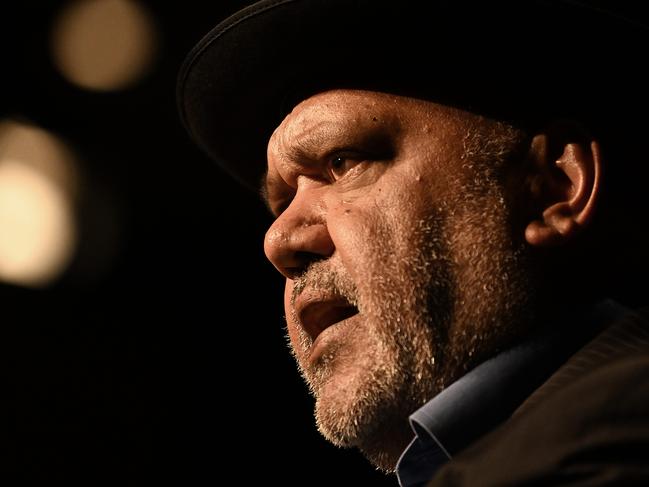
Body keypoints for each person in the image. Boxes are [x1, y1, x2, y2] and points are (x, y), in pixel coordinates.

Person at [177, 0, 649, 485]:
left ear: (554, 188)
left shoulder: (608, 440)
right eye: (280, 203)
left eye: (342, 163)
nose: (278, 240)